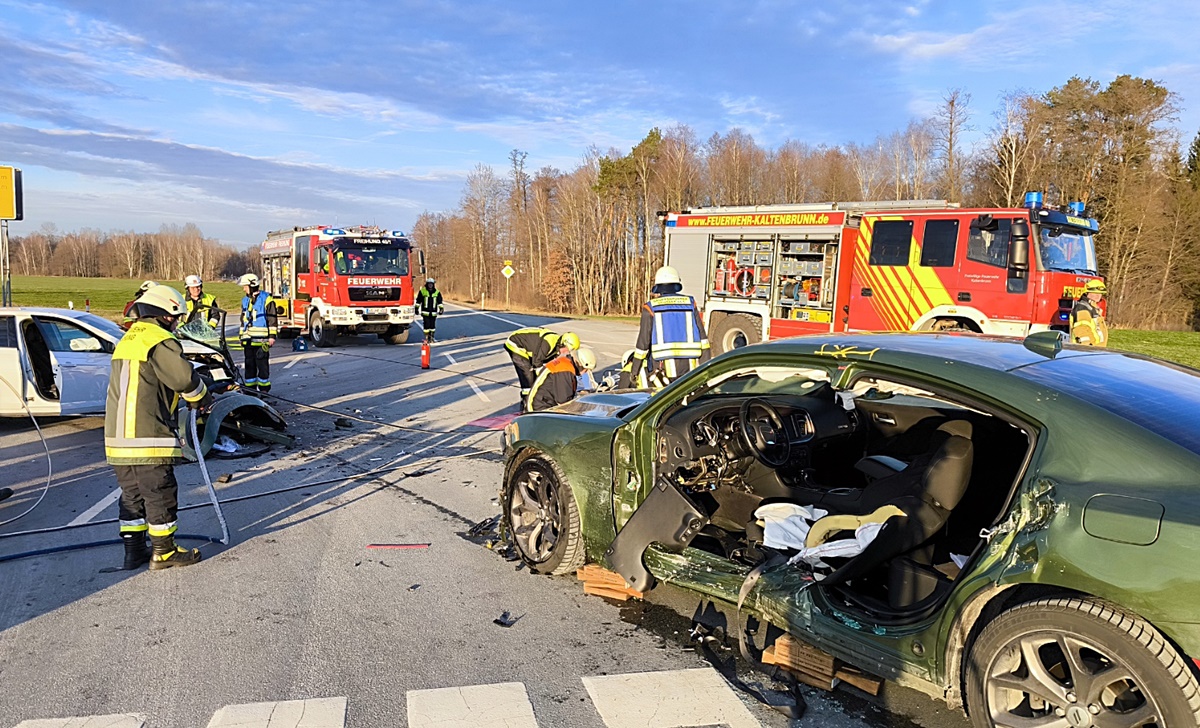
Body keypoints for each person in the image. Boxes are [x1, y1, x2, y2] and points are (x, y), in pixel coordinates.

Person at [104, 285, 210, 570]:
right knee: (159, 493)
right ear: (164, 315)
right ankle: (163, 552)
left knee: (132, 496)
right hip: (147, 435)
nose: (176, 324)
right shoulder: (158, 339)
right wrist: (203, 397)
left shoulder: (129, 338)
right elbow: (183, 379)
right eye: (175, 318)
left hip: (118, 438)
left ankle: (133, 551)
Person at [629, 266, 711, 387]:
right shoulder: (690, 303)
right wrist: (706, 365)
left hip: (662, 367)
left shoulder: (651, 307)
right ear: (676, 284)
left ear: (658, 287)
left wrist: (635, 370)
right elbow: (702, 337)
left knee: (664, 400)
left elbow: (643, 344)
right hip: (689, 365)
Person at [504, 328, 580, 404]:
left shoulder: (558, 346)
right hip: (515, 343)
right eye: (566, 350)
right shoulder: (548, 343)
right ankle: (526, 403)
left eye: (569, 352)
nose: (566, 353)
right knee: (528, 376)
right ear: (562, 343)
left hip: (531, 348)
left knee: (537, 376)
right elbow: (537, 364)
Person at [238, 273, 278, 393]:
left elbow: (272, 319)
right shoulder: (245, 300)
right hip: (248, 340)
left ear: (252, 285)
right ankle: (250, 390)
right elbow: (243, 320)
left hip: (262, 341)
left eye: (245, 286)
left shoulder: (266, 299)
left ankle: (264, 391)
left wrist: (272, 337)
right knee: (249, 366)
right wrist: (241, 336)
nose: (244, 289)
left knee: (262, 366)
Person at [527, 346, 596, 412]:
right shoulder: (565, 370)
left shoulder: (566, 363)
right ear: (580, 364)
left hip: (542, 402)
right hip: (540, 408)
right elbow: (564, 402)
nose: (585, 372)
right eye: (586, 370)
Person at [1070, 279, 1109, 347]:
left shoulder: (1092, 308)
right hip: (1089, 351)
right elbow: (1082, 330)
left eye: (1100, 293)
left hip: (1096, 350)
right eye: (1094, 293)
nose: (1098, 295)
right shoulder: (1083, 308)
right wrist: (1087, 348)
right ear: (1086, 293)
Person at [416, 278, 444, 342]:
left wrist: (441, 309)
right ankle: (426, 337)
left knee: (432, 326)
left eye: (431, 284)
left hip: (433, 312)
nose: (430, 285)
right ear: (427, 284)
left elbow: (439, 301)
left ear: (433, 284)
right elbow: (418, 301)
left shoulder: (437, 292)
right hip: (425, 312)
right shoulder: (422, 291)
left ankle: (431, 337)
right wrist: (416, 308)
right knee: (426, 325)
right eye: (429, 284)